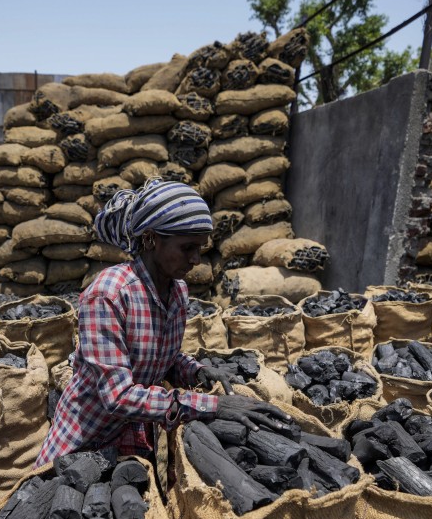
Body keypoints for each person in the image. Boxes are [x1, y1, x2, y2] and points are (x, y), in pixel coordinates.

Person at [35, 178, 291, 466]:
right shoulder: (108, 294)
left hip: (134, 434)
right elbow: (118, 397)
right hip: (85, 442)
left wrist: (198, 372)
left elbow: (160, 356)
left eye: (201, 248)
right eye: (187, 248)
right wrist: (214, 406)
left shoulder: (177, 290)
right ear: (151, 239)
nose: (196, 259)